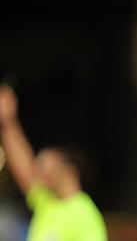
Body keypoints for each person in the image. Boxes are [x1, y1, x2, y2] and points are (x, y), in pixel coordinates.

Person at [0, 85, 107, 241]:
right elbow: (22, 164)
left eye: (47, 166)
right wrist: (8, 122)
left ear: (70, 172)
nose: (39, 170)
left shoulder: (84, 215)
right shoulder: (47, 202)